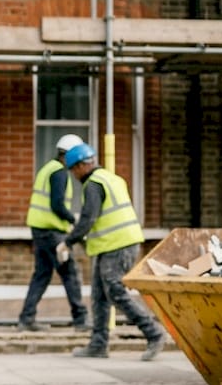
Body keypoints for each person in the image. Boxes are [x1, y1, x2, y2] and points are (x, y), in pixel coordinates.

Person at [60, 142, 168, 361]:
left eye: (73, 170)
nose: (73, 175)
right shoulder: (111, 178)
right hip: (112, 245)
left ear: (81, 166)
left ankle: (154, 333)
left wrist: (68, 242)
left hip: (118, 245)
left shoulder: (93, 185)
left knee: (116, 293)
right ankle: (98, 345)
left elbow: (88, 219)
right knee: (100, 297)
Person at [17, 134, 90, 332]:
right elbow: (57, 204)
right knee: (70, 273)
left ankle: (26, 318)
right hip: (52, 232)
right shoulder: (59, 172)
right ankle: (81, 320)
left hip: (40, 229)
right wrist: (73, 219)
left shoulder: (47, 168)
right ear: (69, 155)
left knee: (42, 274)